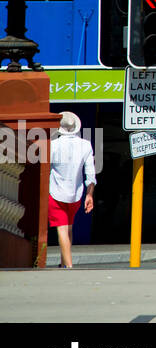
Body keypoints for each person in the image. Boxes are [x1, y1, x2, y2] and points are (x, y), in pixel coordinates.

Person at [48, 112, 96, 269]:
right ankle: (63, 263)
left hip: (55, 192)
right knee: (68, 227)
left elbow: (45, 169)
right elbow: (90, 172)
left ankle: (69, 266)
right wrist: (89, 194)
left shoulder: (52, 146)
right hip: (76, 193)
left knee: (62, 229)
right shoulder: (85, 145)